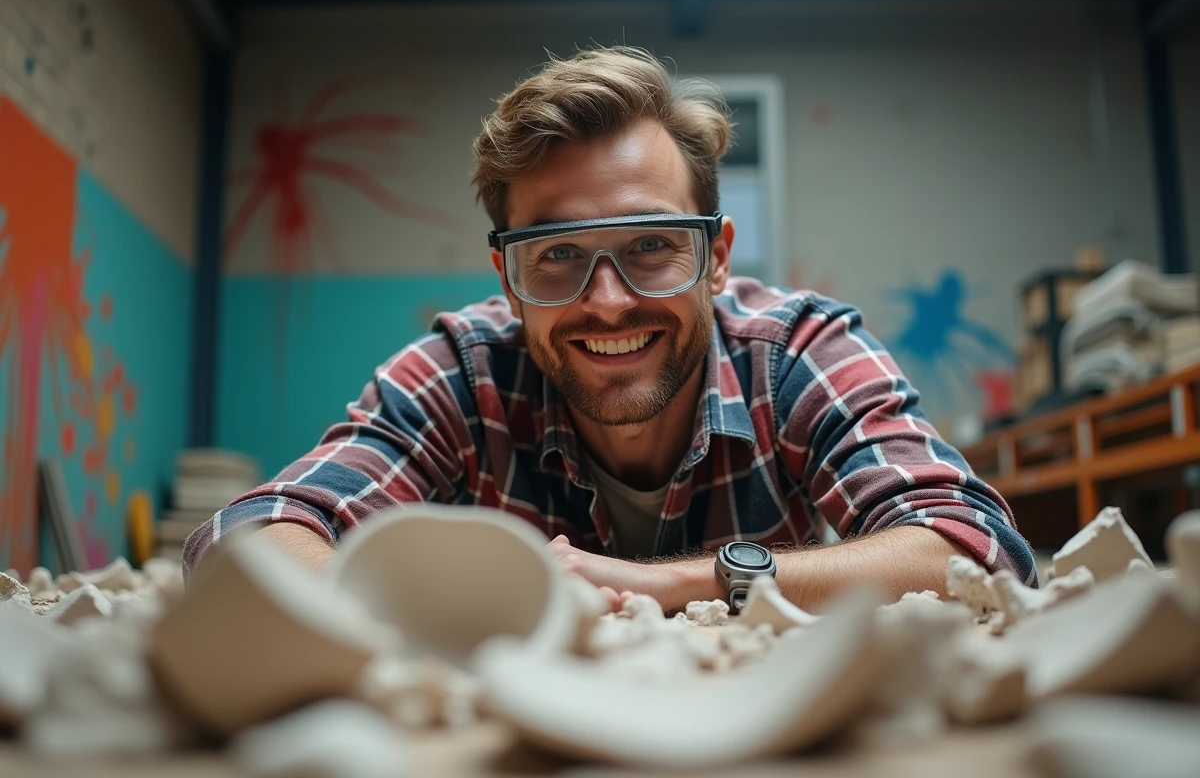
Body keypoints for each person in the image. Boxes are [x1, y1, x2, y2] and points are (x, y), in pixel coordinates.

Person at [183, 46, 1036, 611]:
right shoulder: (462, 371)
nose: (608, 301)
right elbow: (249, 534)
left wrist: (677, 583)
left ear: (716, 257)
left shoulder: (800, 354)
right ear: (507, 282)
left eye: (653, 246)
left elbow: (976, 548)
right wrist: (385, 617)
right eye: (554, 255)